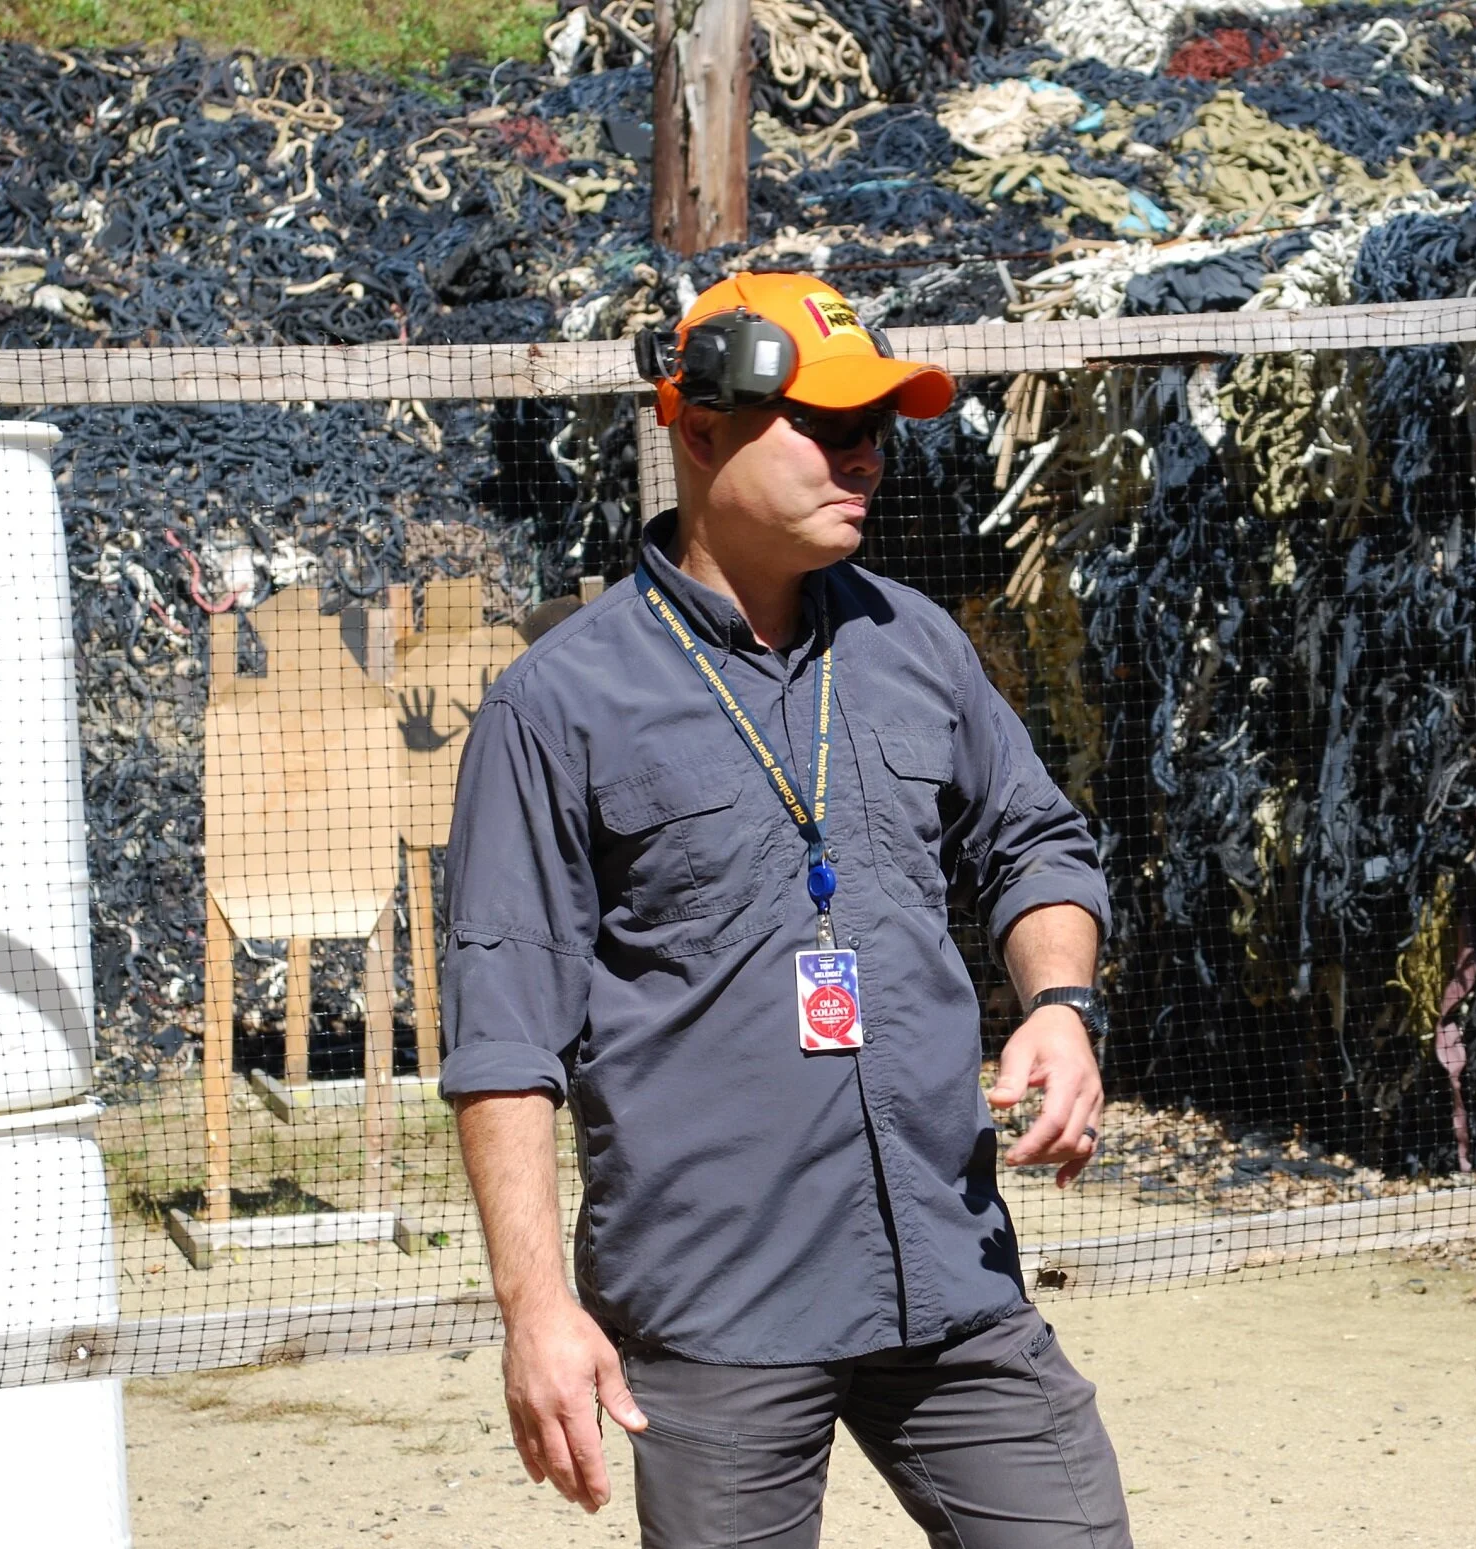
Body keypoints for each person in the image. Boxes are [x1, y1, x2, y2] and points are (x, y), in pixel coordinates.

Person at [439, 271, 1134, 1549]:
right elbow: (503, 1039)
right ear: (696, 429)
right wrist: (535, 1309)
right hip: (717, 1310)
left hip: (949, 1269)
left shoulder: (913, 642)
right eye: (825, 426)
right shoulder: (556, 706)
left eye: (876, 426)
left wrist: (1061, 1005)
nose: (863, 456)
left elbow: (1034, 839)